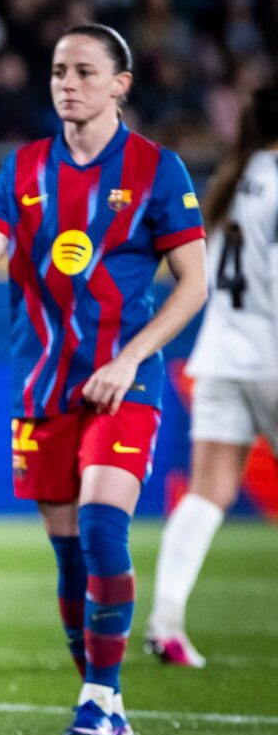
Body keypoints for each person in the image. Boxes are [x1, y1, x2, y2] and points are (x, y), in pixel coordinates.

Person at [0, 23, 207, 735]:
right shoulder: (22, 169)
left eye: (84, 71)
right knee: (71, 557)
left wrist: (133, 355)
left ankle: (98, 697)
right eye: (57, 70)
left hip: (124, 385)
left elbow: (193, 285)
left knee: (103, 527)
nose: (66, 83)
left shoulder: (157, 169)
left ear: (121, 83)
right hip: (43, 387)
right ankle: (105, 704)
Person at [146, 84, 278, 668]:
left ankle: (166, 620)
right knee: (208, 494)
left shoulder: (231, 182)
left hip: (222, 357)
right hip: (271, 356)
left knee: (207, 494)